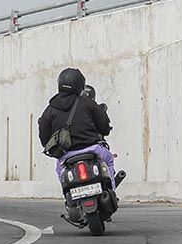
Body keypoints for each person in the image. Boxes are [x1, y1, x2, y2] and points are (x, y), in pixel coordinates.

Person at [38, 68, 123, 221]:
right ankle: (111, 192)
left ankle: (69, 197)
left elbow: (44, 138)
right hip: (93, 150)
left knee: (60, 171)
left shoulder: (50, 109)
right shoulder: (88, 103)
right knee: (109, 159)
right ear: (80, 85)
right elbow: (104, 127)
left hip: (67, 156)